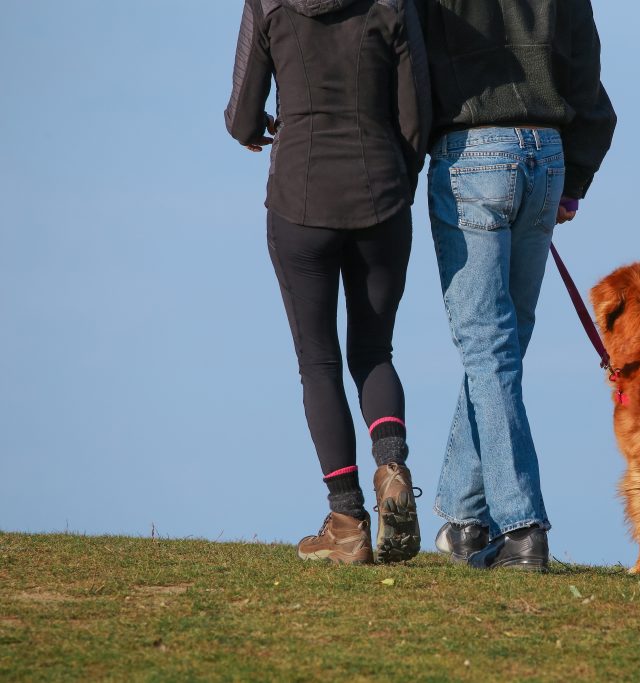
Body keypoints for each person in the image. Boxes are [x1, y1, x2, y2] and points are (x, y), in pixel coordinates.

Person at [225, 0, 431, 564]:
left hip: (299, 199)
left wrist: (253, 129)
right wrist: (398, 181)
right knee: (374, 351)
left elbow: (243, 115)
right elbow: (417, 114)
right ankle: (391, 467)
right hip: (381, 194)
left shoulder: (266, 4)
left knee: (319, 363)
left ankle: (346, 521)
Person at [416, 0, 616, 570]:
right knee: (501, 348)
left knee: (489, 346)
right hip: (546, 157)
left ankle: (523, 530)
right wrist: (572, 179)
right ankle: (463, 520)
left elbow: (408, 69)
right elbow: (589, 82)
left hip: (470, 153)